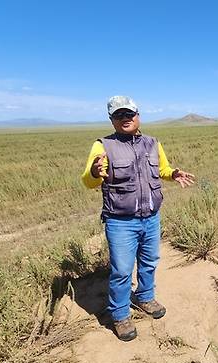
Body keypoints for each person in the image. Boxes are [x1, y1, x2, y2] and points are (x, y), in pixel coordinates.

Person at [81, 96, 195, 341]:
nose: (125, 119)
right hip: (120, 221)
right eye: (119, 115)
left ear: (138, 116)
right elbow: (88, 181)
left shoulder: (153, 143)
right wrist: (93, 172)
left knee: (150, 261)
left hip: (151, 217)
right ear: (112, 120)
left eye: (129, 114)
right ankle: (120, 314)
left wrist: (173, 173)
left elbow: (161, 169)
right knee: (122, 270)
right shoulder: (103, 146)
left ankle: (144, 297)